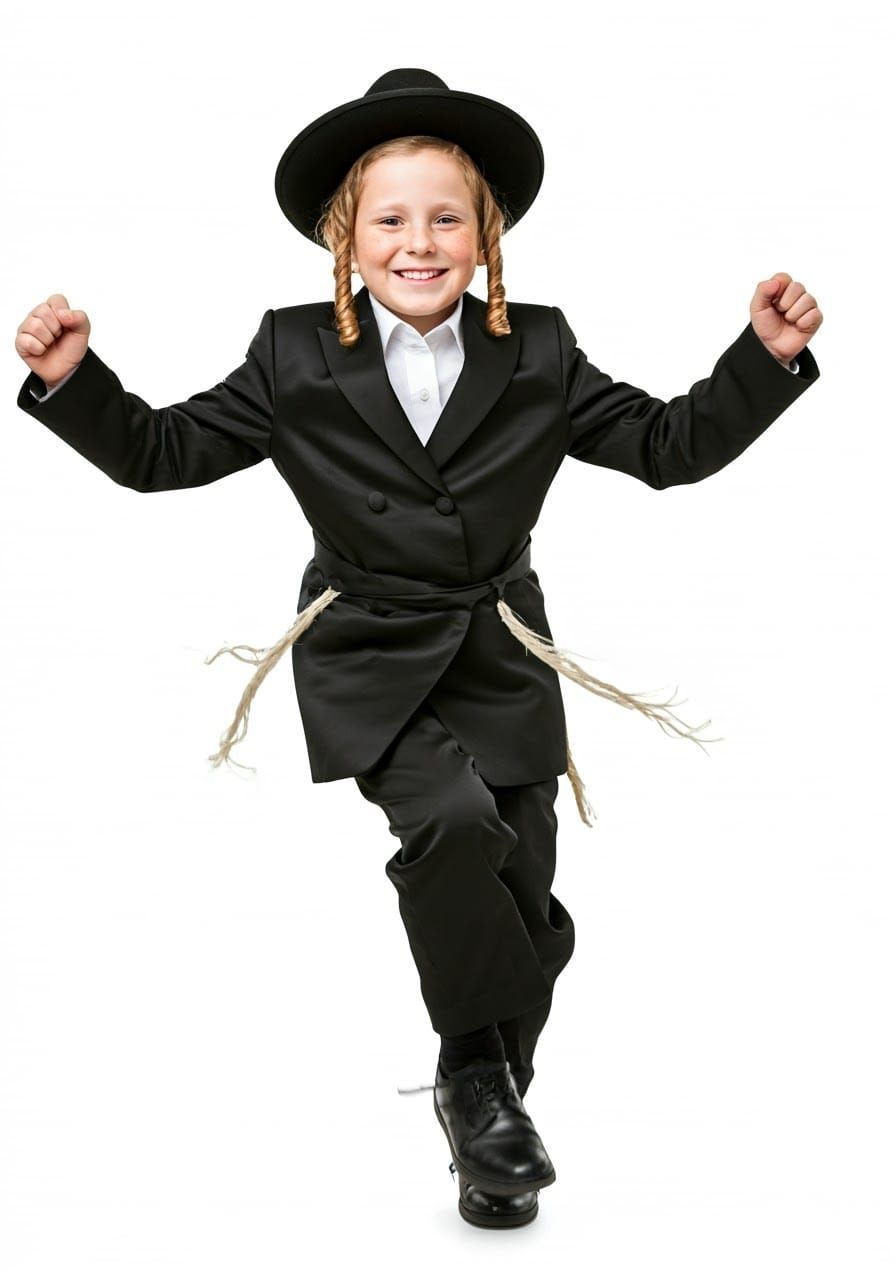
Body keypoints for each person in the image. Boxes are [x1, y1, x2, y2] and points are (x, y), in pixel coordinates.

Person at [13, 68, 823, 1230]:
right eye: (390, 219)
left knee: (524, 876)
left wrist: (760, 358)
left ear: (484, 235)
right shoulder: (292, 353)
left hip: (500, 646)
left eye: (445, 216)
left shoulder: (536, 348)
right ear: (346, 237)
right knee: (449, 822)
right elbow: (163, 452)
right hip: (368, 646)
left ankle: (488, 1144)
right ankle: (478, 1076)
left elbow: (664, 444)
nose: (418, 241)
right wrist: (72, 382)